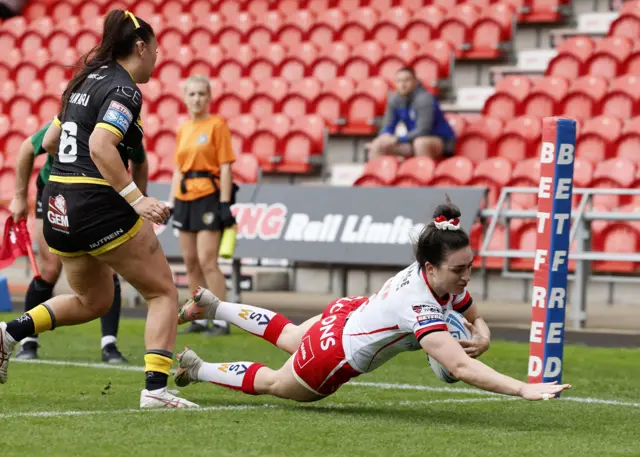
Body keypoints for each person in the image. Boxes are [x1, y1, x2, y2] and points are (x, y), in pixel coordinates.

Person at [174, 196, 571, 402]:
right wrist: (523, 388)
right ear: (431, 269)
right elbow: (460, 367)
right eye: (459, 270)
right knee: (278, 383)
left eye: (471, 266)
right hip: (340, 353)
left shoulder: (442, 264)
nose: (466, 276)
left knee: (293, 335)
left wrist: (482, 332)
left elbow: (468, 308)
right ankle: (198, 368)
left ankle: (214, 305)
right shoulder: (419, 305)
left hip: (351, 310)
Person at [0, 10, 198, 408]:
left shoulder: (83, 80)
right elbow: (100, 146)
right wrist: (137, 199)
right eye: (156, 49)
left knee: (94, 300)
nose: (158, 57)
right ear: (140, 47)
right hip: (95, 204)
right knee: (162, 292)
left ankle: (8, 333)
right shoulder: (124, 89)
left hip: (57, 204)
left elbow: (53, 141)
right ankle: (156, 390)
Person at [8, 121, 149, 362]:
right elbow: (27, 148)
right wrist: (20, 197)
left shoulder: (119, 120)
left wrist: (138, 200)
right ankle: (27, 342)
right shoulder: (70, 116)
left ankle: (109, 345)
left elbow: (140, 160)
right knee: (49, 269)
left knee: (109, 269)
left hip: (99, 194)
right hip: (55, 190)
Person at [167, 75, 237, 336]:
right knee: (191, 261)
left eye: (201, 94)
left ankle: (221, 319)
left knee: (208, 260)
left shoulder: (217, 125)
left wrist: (225, 204)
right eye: (192, 94)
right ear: (185, 98)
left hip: (209, 195)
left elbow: (225, 166)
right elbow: (178, 168)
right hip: (185, 198)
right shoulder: (183, 129)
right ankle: (197, 316)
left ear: (209, 97)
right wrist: (173, 201)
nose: (197, 99)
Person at [367, 67, 456, 160]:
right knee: (378, 144)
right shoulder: (395, 100)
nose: (402, 84)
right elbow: (388, 126)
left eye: (406, 80)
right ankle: (376, 173)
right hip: (412, 140)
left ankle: (422, 173)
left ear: (415, 82)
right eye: (399, 81)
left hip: (441, 141)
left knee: (420, 143)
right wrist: (385, 135)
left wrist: (398, 139)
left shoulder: (425, 99)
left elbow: (423, 131)